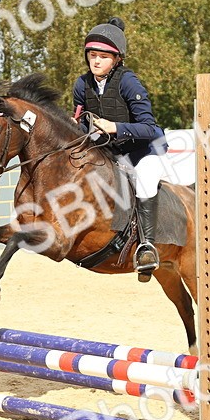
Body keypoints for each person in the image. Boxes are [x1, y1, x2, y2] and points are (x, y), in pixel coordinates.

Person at [71, 17, 166, 280]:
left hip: (142, 150)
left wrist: (115, 127)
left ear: (117, 59)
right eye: (92, 55)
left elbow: (149, 127)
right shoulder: (82, 84)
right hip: (109, 151)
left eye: (103, 57)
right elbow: (81, 120)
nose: (96, 61)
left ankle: (147, 248)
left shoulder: (128, 82)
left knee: (145, 182)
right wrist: (75, 127)